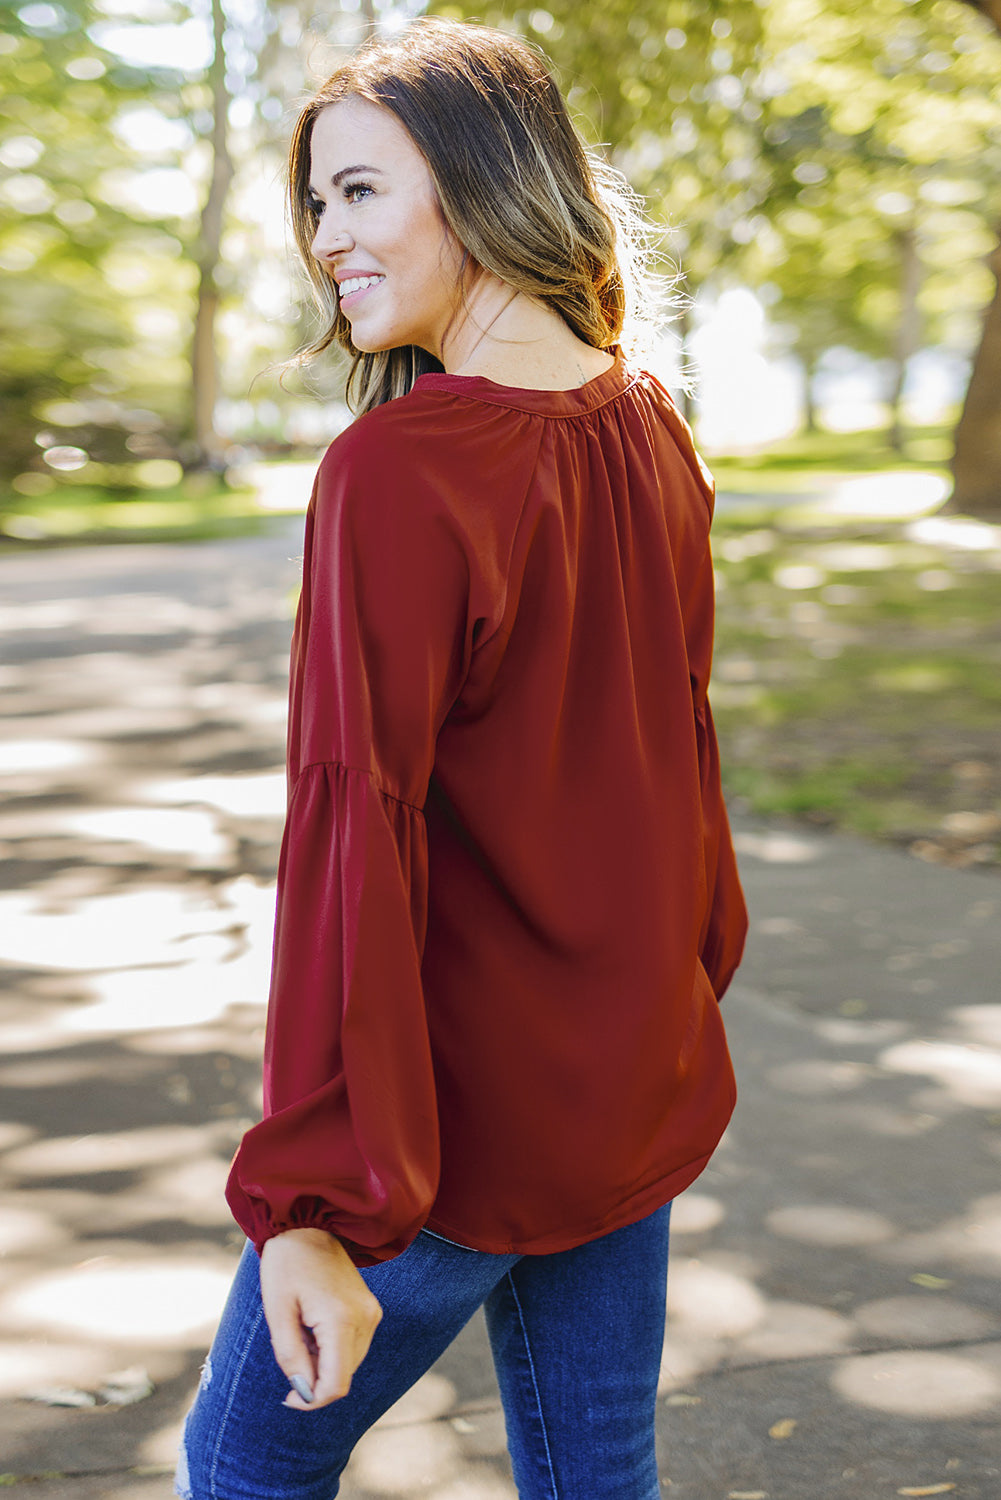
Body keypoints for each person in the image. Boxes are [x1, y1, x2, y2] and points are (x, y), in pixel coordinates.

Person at [176, 16, 747, 1499]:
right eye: (315, 203)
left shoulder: (400, 471)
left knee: (243, 1467)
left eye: (361, 192)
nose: (326, 239)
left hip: (449, 1122)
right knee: (593, 1471)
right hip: (631, 1059)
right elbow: (679, 758)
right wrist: (676, 990)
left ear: (485, 181)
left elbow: (349, 833)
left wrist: (309, 1201)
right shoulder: (652, 424)